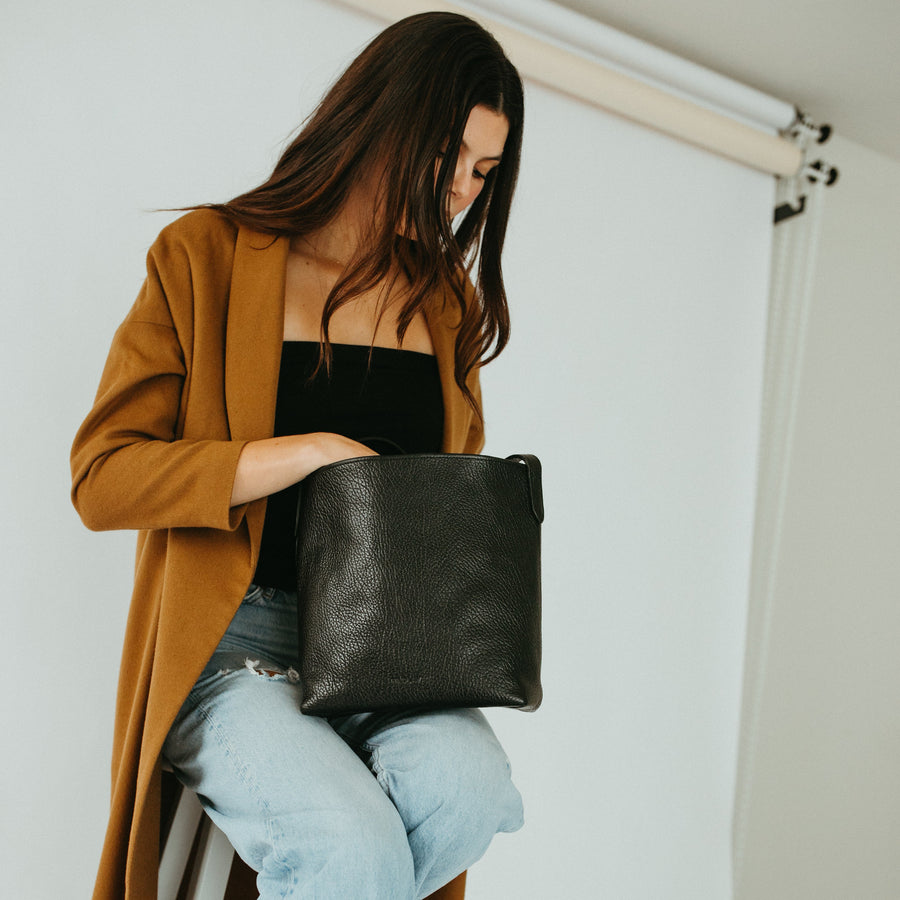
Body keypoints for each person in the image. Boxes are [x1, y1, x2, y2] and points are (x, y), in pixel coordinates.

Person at [71, 11, 525, 900]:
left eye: (485, 170)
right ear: (382, 121)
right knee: (349, 852)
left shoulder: (446, 308)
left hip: (384, 651)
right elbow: (103, 477)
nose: (464, 191)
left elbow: (439, 506)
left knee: (471, 792)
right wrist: (297, 454)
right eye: (448, 159)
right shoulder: (206, 256)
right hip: (229, 647)